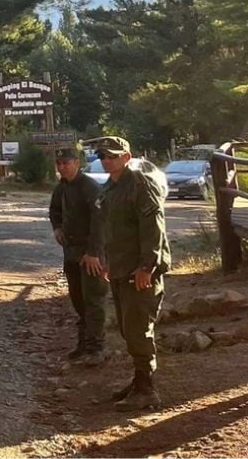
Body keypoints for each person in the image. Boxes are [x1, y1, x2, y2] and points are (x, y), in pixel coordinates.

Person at [88, 136, 170, 412]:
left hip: (140, 271)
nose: (106, 160)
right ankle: (139, 382)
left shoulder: (139, 184)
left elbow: (153, 229)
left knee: (137, 330)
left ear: (126, 156)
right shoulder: (111, 187)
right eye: (102, 157)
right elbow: (113, 230)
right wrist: (109, 262)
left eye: (112, 156)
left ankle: (147, 390)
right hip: (122, 269)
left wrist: (148, 266)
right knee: (127, 328)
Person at [49, 147, 107, 366]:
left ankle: (96, 348)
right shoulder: (62, 188)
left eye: (66, 163)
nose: (62, 167)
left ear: (77, 163)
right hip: (71, 253)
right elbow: (54, 210)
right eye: (59, 163)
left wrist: (93, 253)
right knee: (78, 299)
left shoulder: (89, 187)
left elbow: (100, 221)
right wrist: (57, 228)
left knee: (94, 300)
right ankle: (83, 343)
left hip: (90, 254)